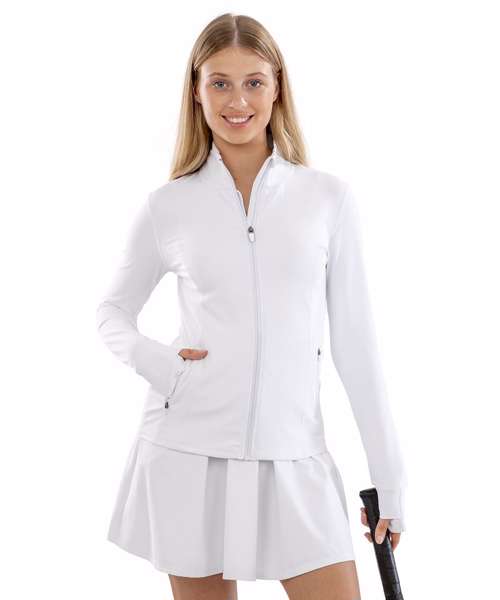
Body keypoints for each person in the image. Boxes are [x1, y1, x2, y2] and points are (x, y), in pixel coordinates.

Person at [96, 12, 407, 600]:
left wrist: (388, 478)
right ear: (196, 91)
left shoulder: (327, 200)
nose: (237, 100)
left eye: (253, 82)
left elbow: (357, 347)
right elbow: (111, 312)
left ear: (277, 87)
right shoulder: (169, 206)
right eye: (219, 82)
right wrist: (162, 365)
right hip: (188, 455)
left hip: (294, 456)